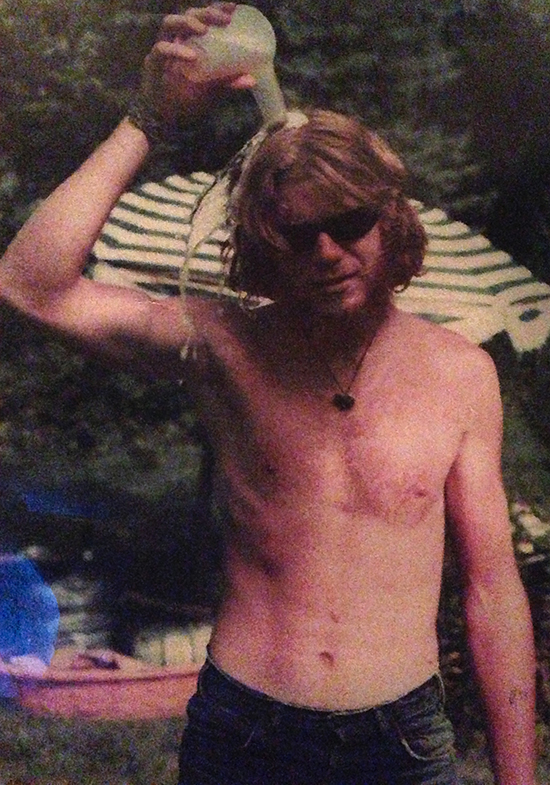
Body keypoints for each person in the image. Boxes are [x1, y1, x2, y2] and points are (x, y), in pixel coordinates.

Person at [0, 4, 537, 784]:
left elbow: (492, 588)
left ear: (390, 221)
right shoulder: (225, 343)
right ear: (264, 243)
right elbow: (30, 285)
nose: (328, 251)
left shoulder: (461, 371)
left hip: (402, 739)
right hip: (247, 730)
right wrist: (148, 119)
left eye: (349, 222)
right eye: (297, 233)